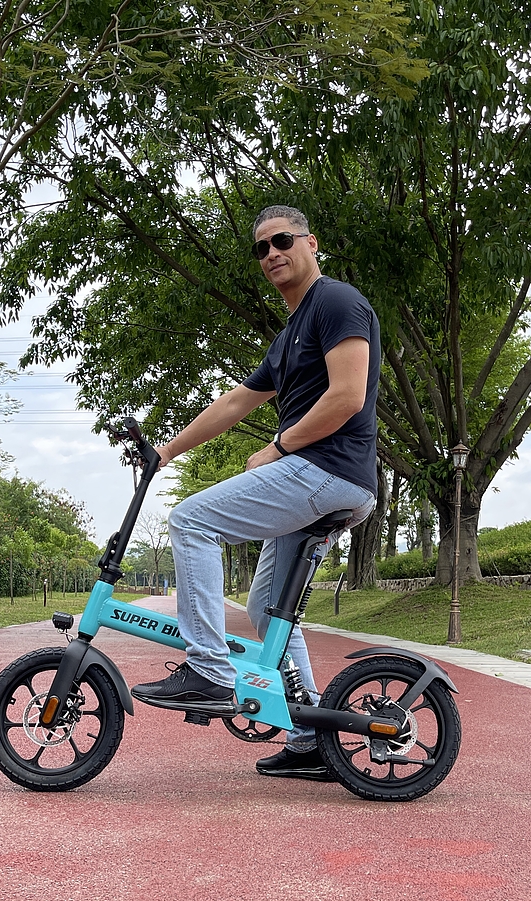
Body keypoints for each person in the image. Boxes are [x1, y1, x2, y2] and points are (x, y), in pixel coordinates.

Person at [132, 205, 381, 781]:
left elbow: (347, 396)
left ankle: (209, 669)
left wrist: (281, 446)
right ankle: (313, 741)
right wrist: (164, 452)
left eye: (282, 240)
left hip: (326, 468)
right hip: (323, 477)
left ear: (310, 242)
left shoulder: (338, 302)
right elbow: (234, 403)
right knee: (272, 614)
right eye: (261, 247)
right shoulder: (290, 332)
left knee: (192, 520)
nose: (271, 252)